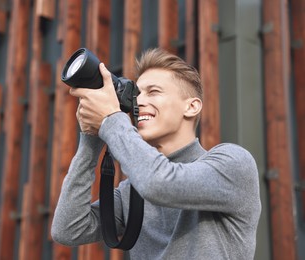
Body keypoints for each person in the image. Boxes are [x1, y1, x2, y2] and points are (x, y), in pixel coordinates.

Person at [51, 48, 261, 259]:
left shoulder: (233, 163)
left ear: (192, 107)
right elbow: (68, 229)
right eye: (137, 94)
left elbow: (159, 183)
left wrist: (111, 119)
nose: (139, 102)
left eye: (153, 92)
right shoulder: (132, 192)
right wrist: (91, 138)